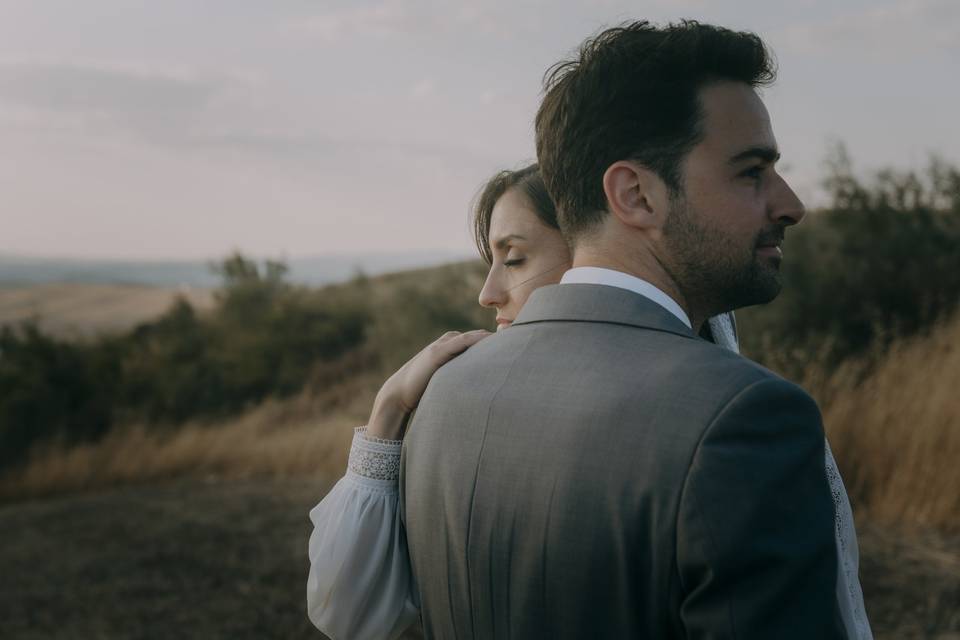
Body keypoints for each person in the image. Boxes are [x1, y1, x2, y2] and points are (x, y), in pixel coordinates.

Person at [396, 20, 869, 639]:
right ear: (637, 195)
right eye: (751, 172)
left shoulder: (443, 395)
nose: (789, 204)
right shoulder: (745, 417)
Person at [306, 164, 870, 637]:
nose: (487, 292)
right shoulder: (449, 400)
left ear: (593, 251)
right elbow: (346, 613)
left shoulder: (728, 414)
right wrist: (385, 415)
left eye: (516, 257)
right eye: (492, 260)